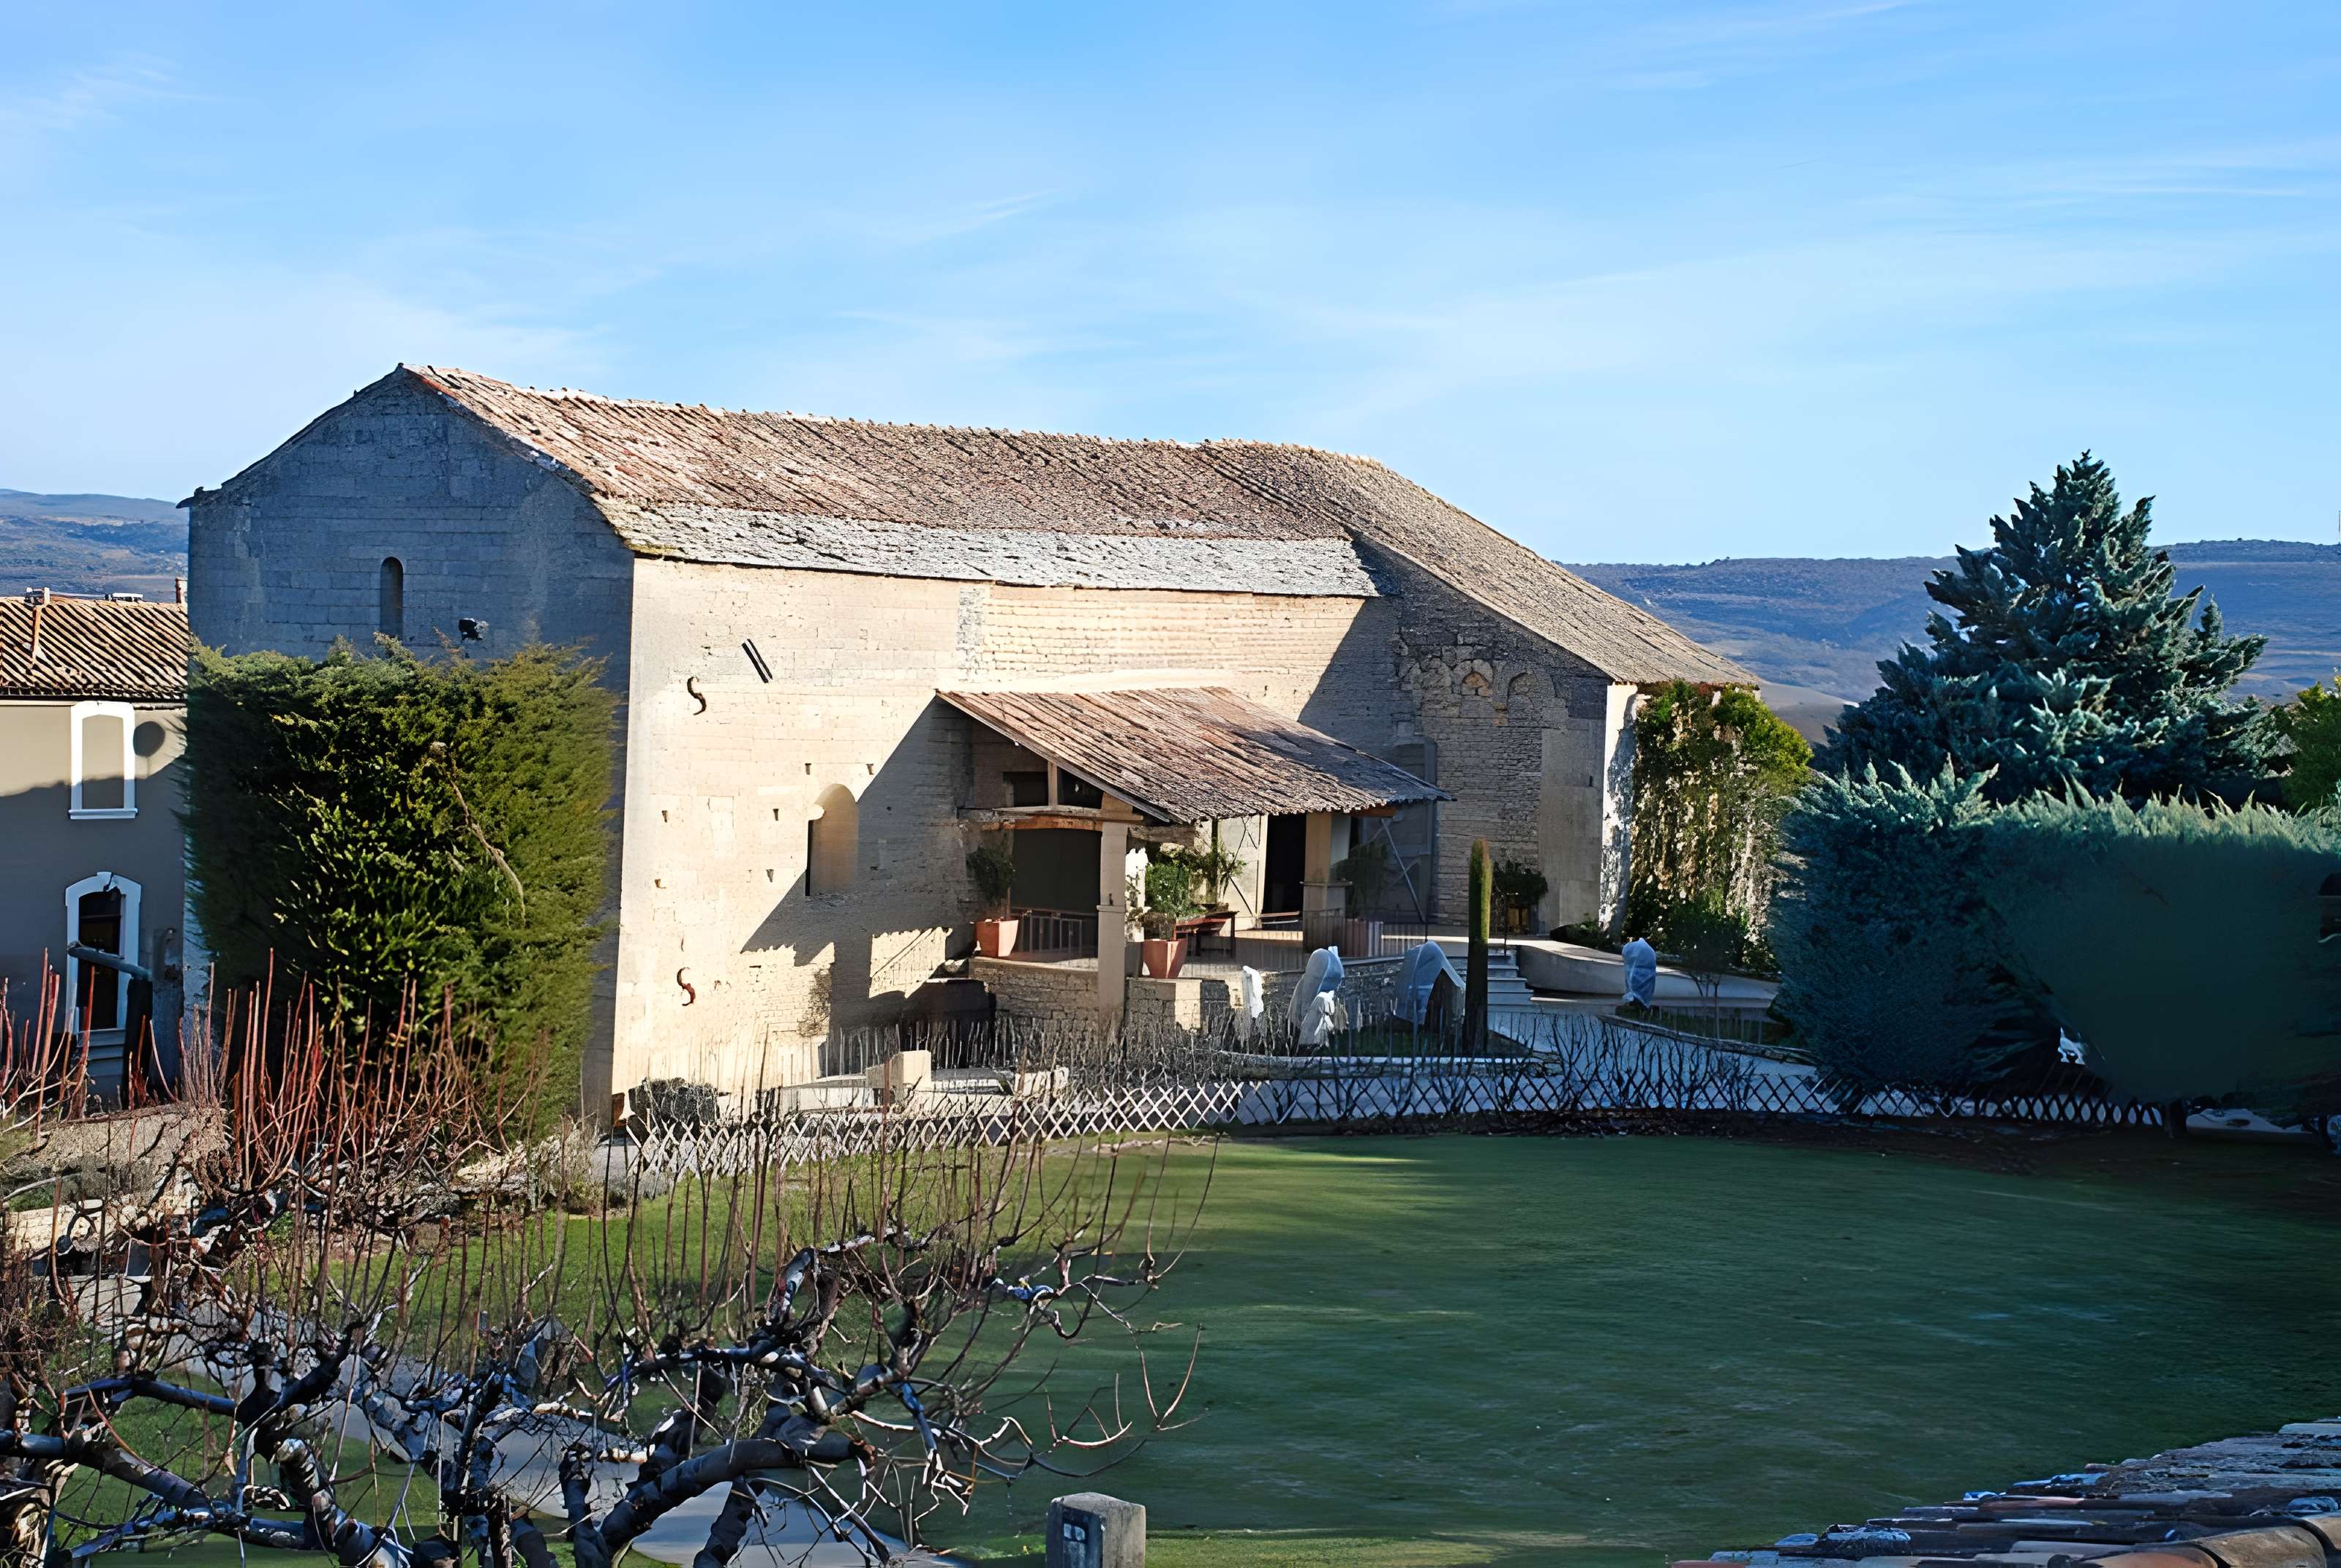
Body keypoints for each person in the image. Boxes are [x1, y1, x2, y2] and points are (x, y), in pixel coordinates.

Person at [1620, 935, 1658, 1009]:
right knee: (1642, 992)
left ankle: (1634, 1004)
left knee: (1634, 990)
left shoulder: (1633, 947)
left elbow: (1625, 954)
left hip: (1637, 971)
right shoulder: (1650, 950)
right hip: (1649, 973)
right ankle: (1641, 1005)